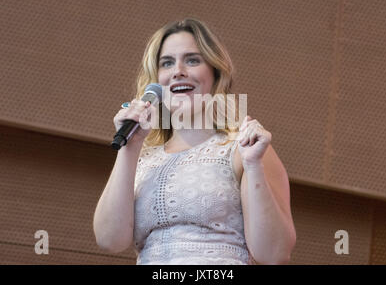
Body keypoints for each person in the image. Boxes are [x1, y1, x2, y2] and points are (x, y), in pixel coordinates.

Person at [93, 18, 296, 265]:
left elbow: (275, 254)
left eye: (192, 60)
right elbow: (109, 240)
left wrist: (253, 166)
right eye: (167, 63)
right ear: (156, 81)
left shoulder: (244, 148)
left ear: (214, 73)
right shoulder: (143, 157)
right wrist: (130, 147)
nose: (178, 70)